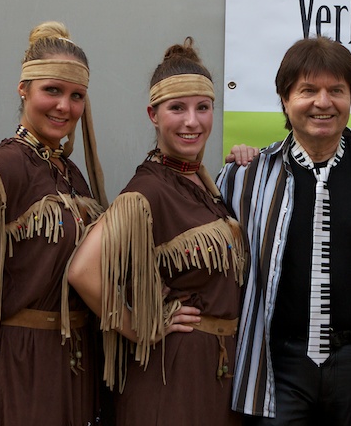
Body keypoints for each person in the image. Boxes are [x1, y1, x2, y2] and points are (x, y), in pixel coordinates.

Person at [216, 36, 351, 424]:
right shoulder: (246, 178)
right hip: (278, 369)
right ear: (284, 99)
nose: (323, 103)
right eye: (308, 90)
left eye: (336, 91)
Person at [68, 37, 248, 425]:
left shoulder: (202, 183)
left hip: (214, 373)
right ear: (153, 114)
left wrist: (245, 160)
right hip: (172, 376)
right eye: (177, 108)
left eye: (203, 107)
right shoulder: (147, 189)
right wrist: (139, 328)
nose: (192, 121)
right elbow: (83, 271)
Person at [0, 22, 107, 425]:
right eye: (52, 90)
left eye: (76, 96)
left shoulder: (69, 171)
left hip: (72, 361)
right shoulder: (3, 167)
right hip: (17, 361)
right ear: (24, 90)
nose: (64, 106)